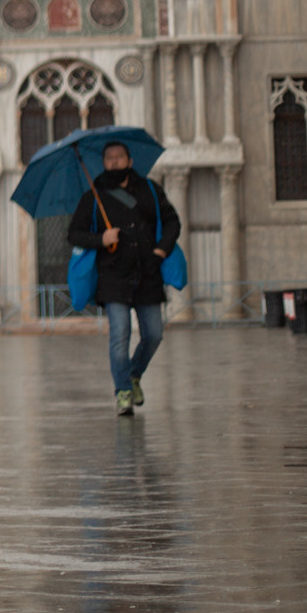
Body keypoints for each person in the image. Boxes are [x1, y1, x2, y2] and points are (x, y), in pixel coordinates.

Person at [68, 141, 180, 417]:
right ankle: (123, 392)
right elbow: (74, 234)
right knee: (120, 335)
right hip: (113, 276)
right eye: (109, 158)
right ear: (104, 163)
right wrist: (100, 239)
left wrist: (160, 250)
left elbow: (172, 221)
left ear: (129, 160)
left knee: (153, 334)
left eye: (120, 157)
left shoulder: (151, 190)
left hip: (147, 273)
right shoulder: (93, 196)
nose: (115, 162)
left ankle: (132, 375)